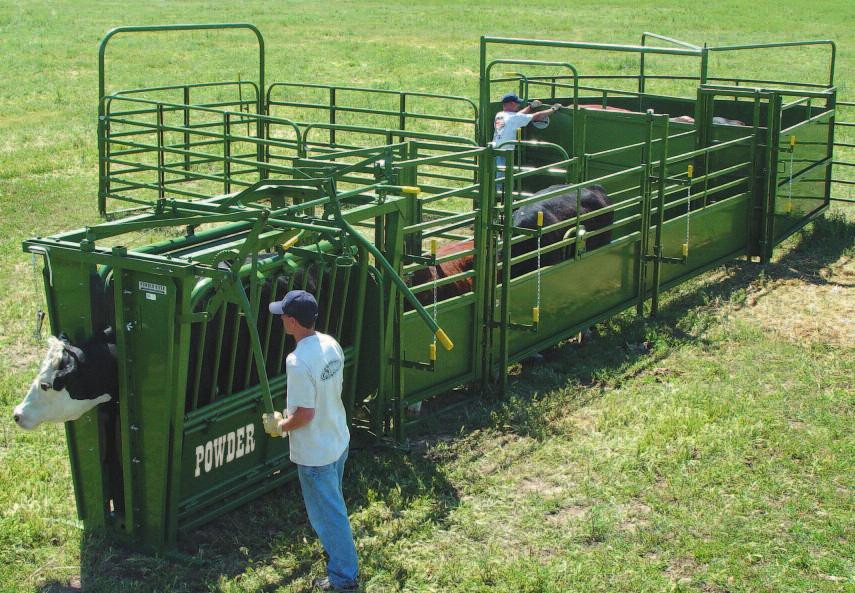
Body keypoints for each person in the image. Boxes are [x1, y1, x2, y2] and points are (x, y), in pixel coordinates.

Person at [266, 290, 359, 592]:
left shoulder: (296, 361)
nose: (280, 318)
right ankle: (338, 556)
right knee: (333, 506)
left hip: (316, 453)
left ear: (292, 322)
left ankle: (344, 576)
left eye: (283, 315)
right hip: (337, 438)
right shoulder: (330, 344)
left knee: (329, 515)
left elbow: (305, 414)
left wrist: (281, 426)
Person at [491, 92, 560, 189]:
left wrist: (530, 106)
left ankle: (498, 195)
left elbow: (517, 115)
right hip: (505, 151)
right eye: (517, 103)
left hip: (496, 149)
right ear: (511, 104)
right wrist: (553, 109)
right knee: (502, 179)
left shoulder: (500, 114)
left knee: (499, 175)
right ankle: (501, 197)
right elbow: (537, 116)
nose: (518, 105)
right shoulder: (514, 118)